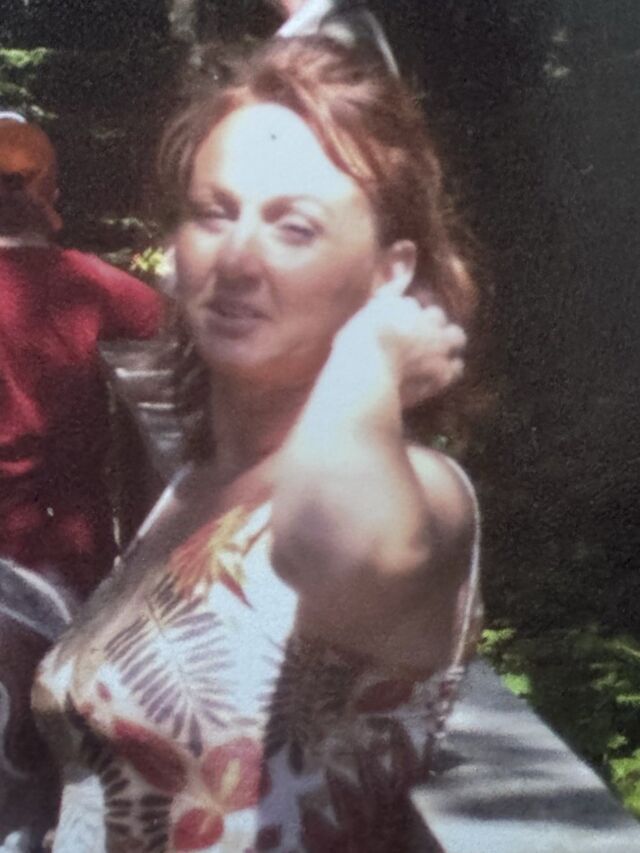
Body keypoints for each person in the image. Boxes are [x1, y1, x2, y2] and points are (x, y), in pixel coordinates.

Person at [33, 17, 481, 853]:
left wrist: (371, 359)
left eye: (294, 226)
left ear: (390, 270)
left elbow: (322, 546)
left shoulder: (423, 495)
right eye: (215, 214)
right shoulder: (197, 486)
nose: (238, 259)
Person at [0, 114, 163, 850]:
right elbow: (167, 321)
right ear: (50, 193)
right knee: (59, 765)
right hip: (66, 556)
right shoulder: (86, 284)